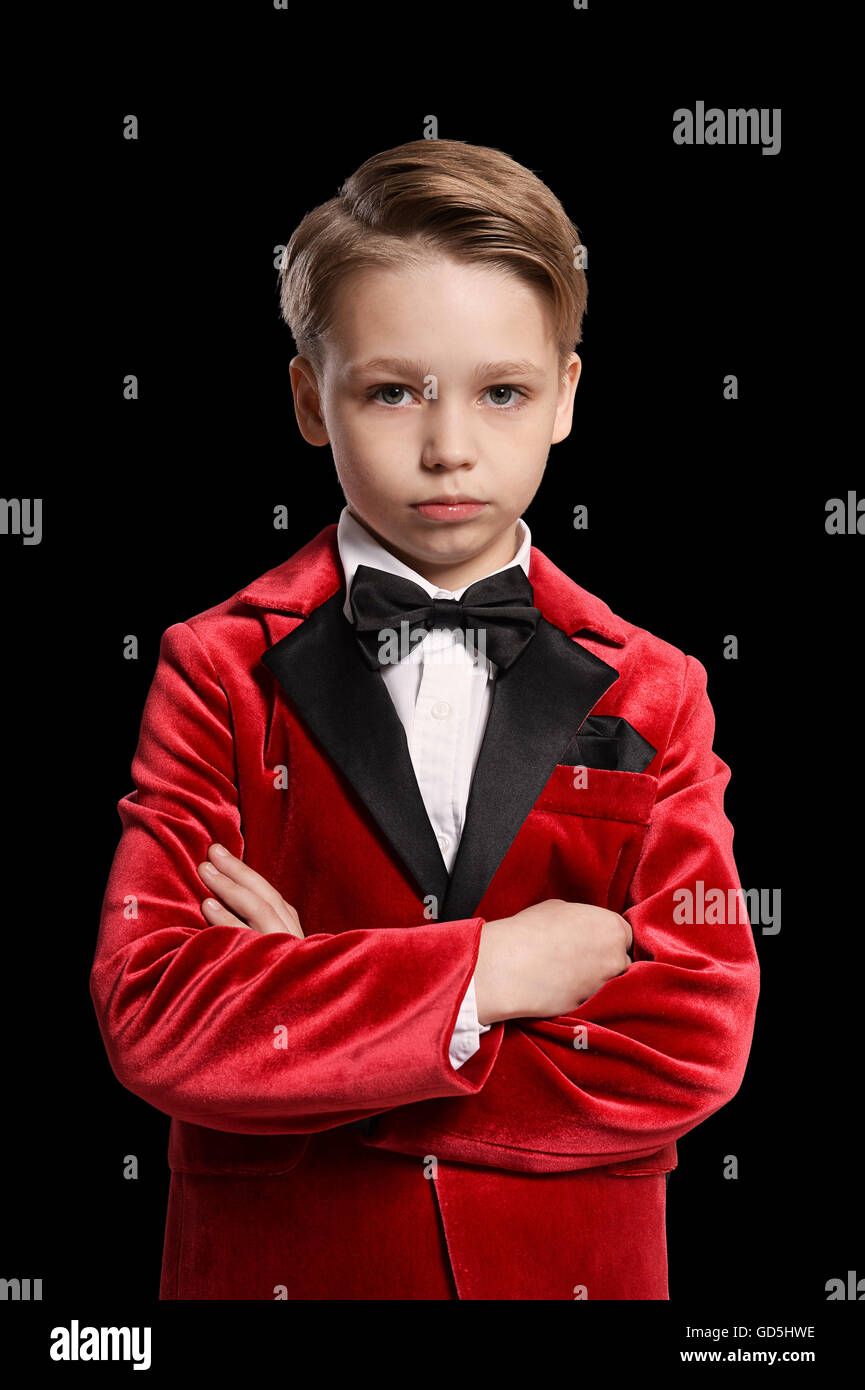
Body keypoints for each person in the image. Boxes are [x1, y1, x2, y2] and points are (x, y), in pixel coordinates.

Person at [89, 138, 760, 1300]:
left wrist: (316, 1016)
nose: (450, 446)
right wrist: (487, 972)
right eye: (393, 390)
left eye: (501, 391)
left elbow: (693, 1033)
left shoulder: (658, 688)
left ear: (564, 398)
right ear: (311, 399)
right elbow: (154, 1011)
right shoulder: (215, 668)